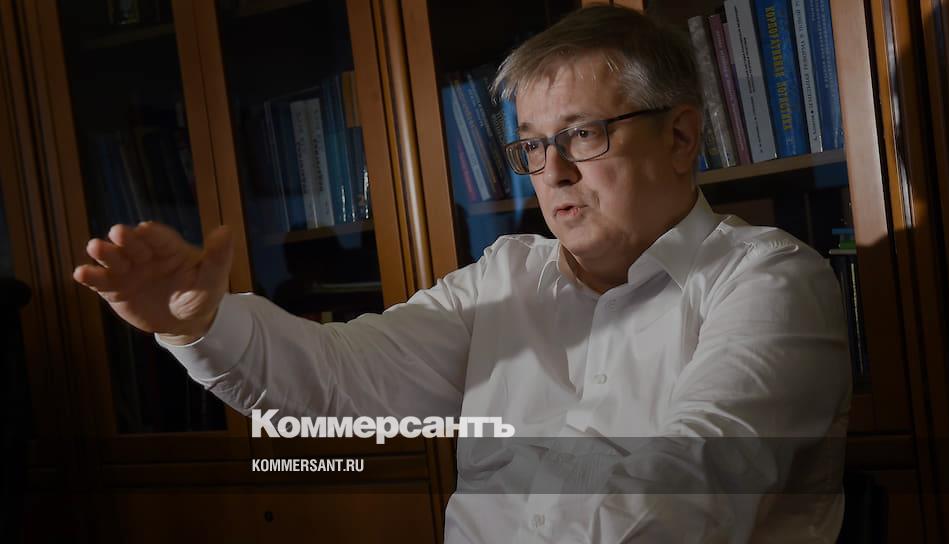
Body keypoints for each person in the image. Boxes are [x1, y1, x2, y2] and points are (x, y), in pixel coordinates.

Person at [72, 5, 851, 543]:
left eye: (583, 135)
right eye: (532, 145)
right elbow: (340, 383)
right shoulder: (503, 277)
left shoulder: (771, 282)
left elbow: (686, 498)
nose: (553, 172)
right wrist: (197, 322)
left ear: (680, 136)